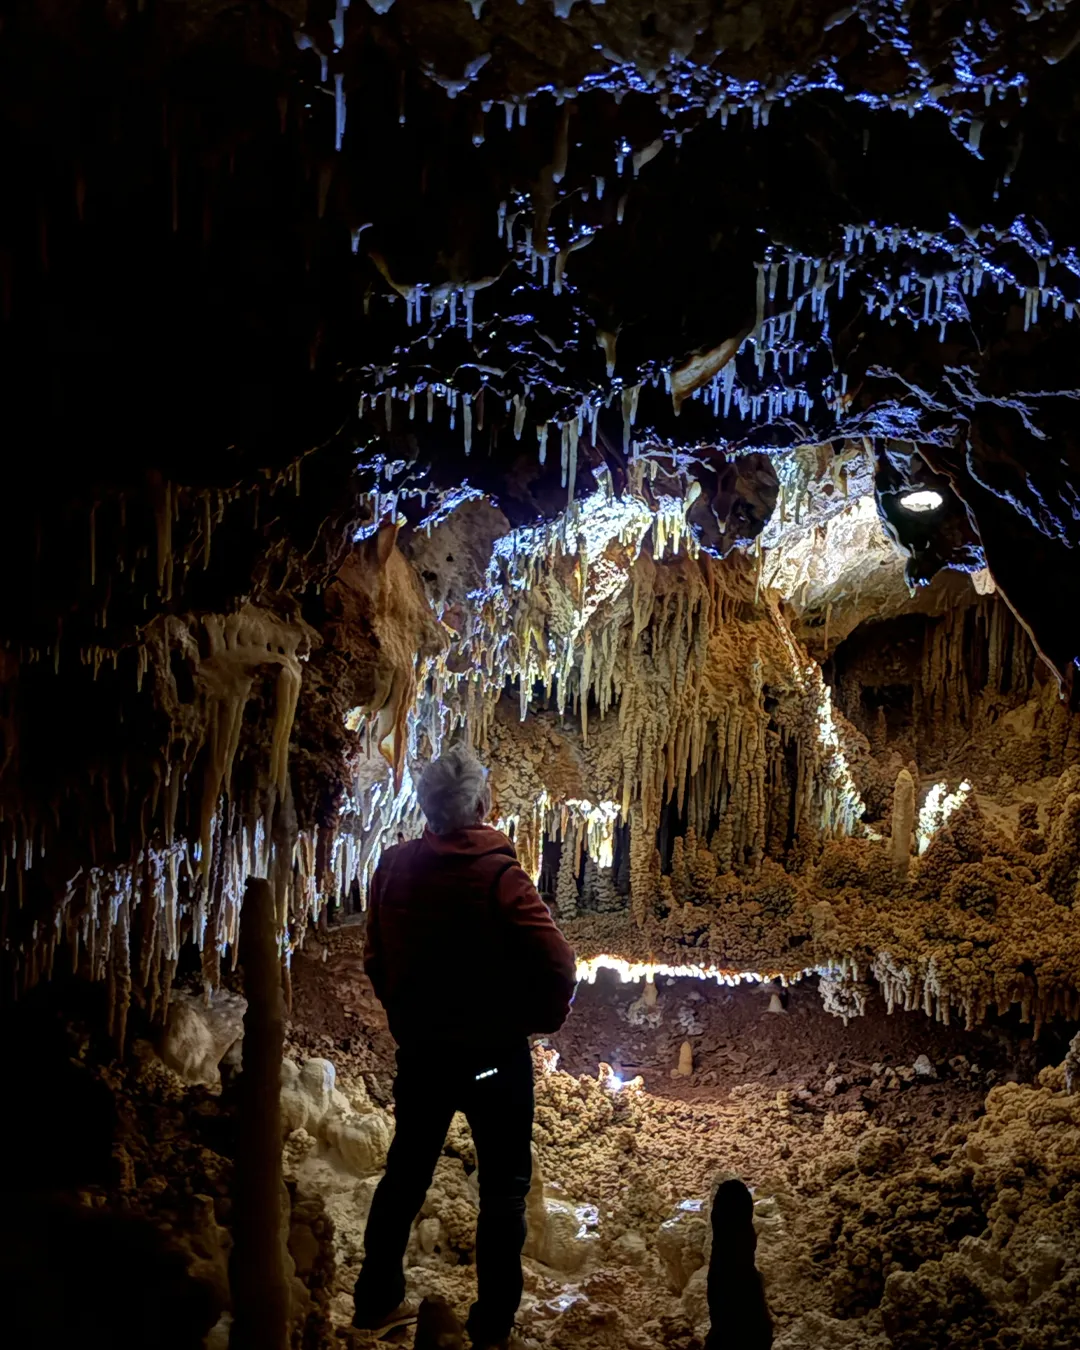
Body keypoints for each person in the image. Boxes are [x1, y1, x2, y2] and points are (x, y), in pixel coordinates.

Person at [353, 744, 578, 1348]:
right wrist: (537, 1020)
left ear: (425, 808)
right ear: (482, 803)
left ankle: (375, 1300)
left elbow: (373, 953)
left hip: (423, 1054)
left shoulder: (393, 867)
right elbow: (559, 963)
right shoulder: (500, 877)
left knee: (404, 1173)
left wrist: (403, 1012)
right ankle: (493, 1325)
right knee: (503, 1192)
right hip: (492, 1060)